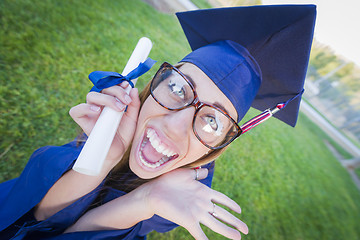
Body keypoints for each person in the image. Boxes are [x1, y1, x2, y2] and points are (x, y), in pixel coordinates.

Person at [0, 4, 316, 240]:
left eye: (212, 121)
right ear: (153, 85)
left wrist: (146, 200)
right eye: (178, 88)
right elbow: (34, 215)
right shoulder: (122, 121)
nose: (174, 126)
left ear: (222, 143)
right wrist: (101, 156)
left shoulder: (184, 193)